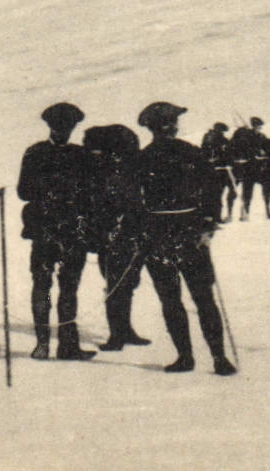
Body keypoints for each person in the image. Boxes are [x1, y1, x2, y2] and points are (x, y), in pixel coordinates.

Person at [136, 101, 235, 376]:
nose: (170, 128)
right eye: (168, 124)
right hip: (187, 234)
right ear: (171, 126)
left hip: (164, 234)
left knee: (174, 300)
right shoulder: (189, 153)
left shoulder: (144, 158)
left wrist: (206, 224)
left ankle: (190, 357)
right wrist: (208, 224)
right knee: (201, 298)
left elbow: (133, 201)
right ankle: (217, 358)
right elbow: (213, 191)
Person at [17, 102, 96, 362]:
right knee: (44, 284)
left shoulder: (81, 155)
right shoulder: (36, 153)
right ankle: (43, 344)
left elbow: (92, 192)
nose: (65, 130)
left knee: (67, 286)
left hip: (72, 229)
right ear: (51, 126)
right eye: (61, 126)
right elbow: (23, 192)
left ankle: (67, 346)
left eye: (69, 126)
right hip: (45, 228)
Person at [83, 124, 151, 352]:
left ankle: (125, 330)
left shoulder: (127, 169)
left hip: (132, 231)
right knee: (115, 283)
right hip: (112, 234)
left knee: (128, 281)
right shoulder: (102, 172)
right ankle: (116, 334)